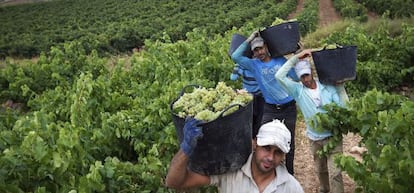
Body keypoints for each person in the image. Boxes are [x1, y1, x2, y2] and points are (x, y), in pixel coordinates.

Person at [275, 49, 349, 193]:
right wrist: (296, 58)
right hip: (315, 139)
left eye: (307, 75)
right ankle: (324, 190)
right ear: (299, 78)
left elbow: (344, 108)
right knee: (321, 170)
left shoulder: (327, 86)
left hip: (333, 136)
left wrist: (340, 87)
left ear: (311, 73)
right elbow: (279, 76)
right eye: (302, 77)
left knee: (335, 173)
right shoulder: (298, 91)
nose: (306, 80)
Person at [165, 118, 305, 193]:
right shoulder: (230, 171)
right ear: (255, 144)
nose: (270, 157)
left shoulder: (291, 187)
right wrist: (186, 149)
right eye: (267, 148)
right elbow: (174, 182)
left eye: (278, 152)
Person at [231, 30, 299, 175]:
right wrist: (249, 39)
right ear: (253, 53)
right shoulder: (254, 65)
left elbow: (295, 76)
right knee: (263, 140)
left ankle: (289, 174)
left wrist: (296, 56)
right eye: (256, 50)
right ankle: (266, 172)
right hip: (270, 108)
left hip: (288, 107)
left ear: (266, 47)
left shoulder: (280, 60)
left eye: (261, 48)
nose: (259, 52)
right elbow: (236, 56)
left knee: (289, 142)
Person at [230, 63, 264, 137]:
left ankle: (256, 142)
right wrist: (238, 65)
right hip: (249, 97)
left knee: (257, 123)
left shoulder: (261, 63)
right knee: (252, 122)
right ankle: (251, 142)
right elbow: (233, 77)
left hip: (260, 97)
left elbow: (233, 77)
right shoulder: (243, 64)